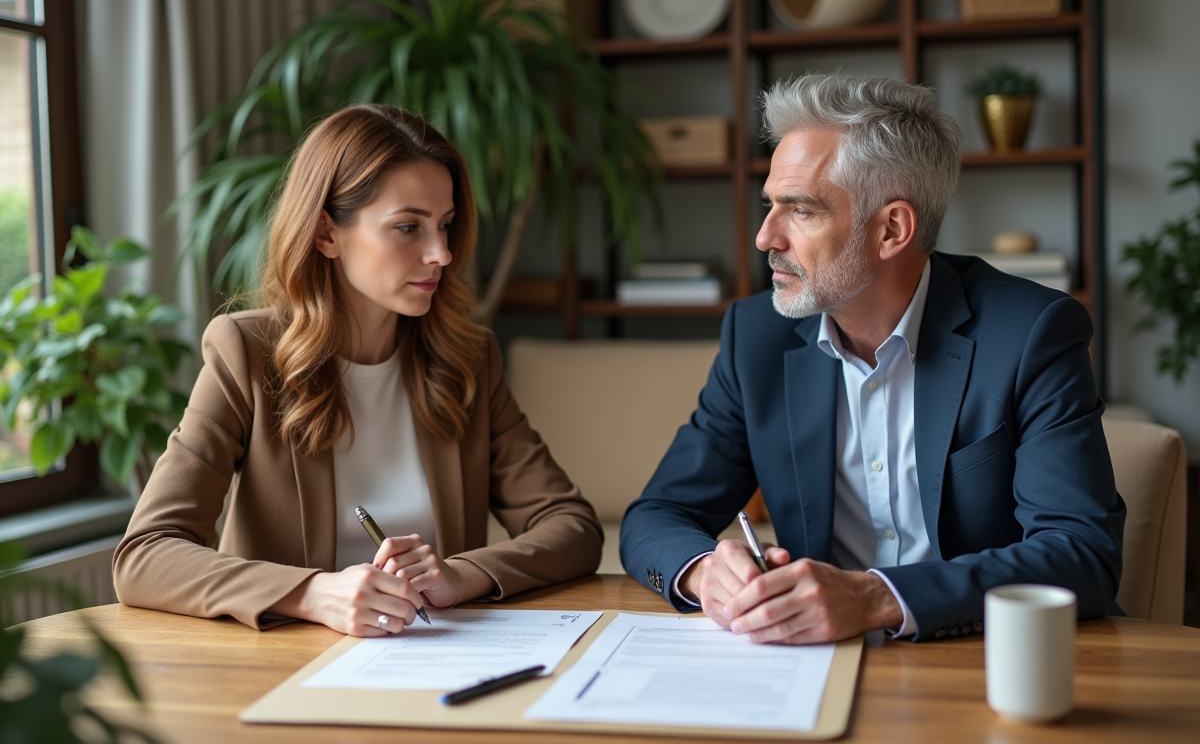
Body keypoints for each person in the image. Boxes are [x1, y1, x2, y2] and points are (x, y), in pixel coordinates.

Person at [620, 73, 1125, 643]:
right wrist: (703, 570)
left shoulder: (1031, 334)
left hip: (978, 658)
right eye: (770, 207)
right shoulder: (756, 336)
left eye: (801, 211)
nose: (765, 237)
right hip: (811, 664)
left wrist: (877, 597)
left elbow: (1082, 555)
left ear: (892, 229)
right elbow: (655, 516)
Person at [114, 105, 603, 636]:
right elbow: (145, 555)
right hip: (283, 670)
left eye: (445, 225)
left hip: (440, 658)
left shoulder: (468, 358)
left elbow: (572, 527)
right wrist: (312, 593)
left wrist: (461, 575)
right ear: (327, 234)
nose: (440, 252)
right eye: (408, 227)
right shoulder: (246, 353)